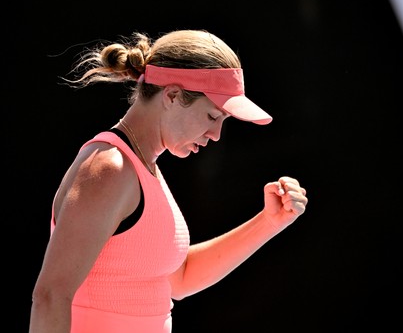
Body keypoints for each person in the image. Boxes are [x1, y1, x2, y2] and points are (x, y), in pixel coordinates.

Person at [29, 29, 309, 333]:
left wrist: (270, 221)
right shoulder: (110, 168)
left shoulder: (143, 167)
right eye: (212, 117)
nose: (215, 135)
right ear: (173, 96)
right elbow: (50, 297)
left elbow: (180, 278)